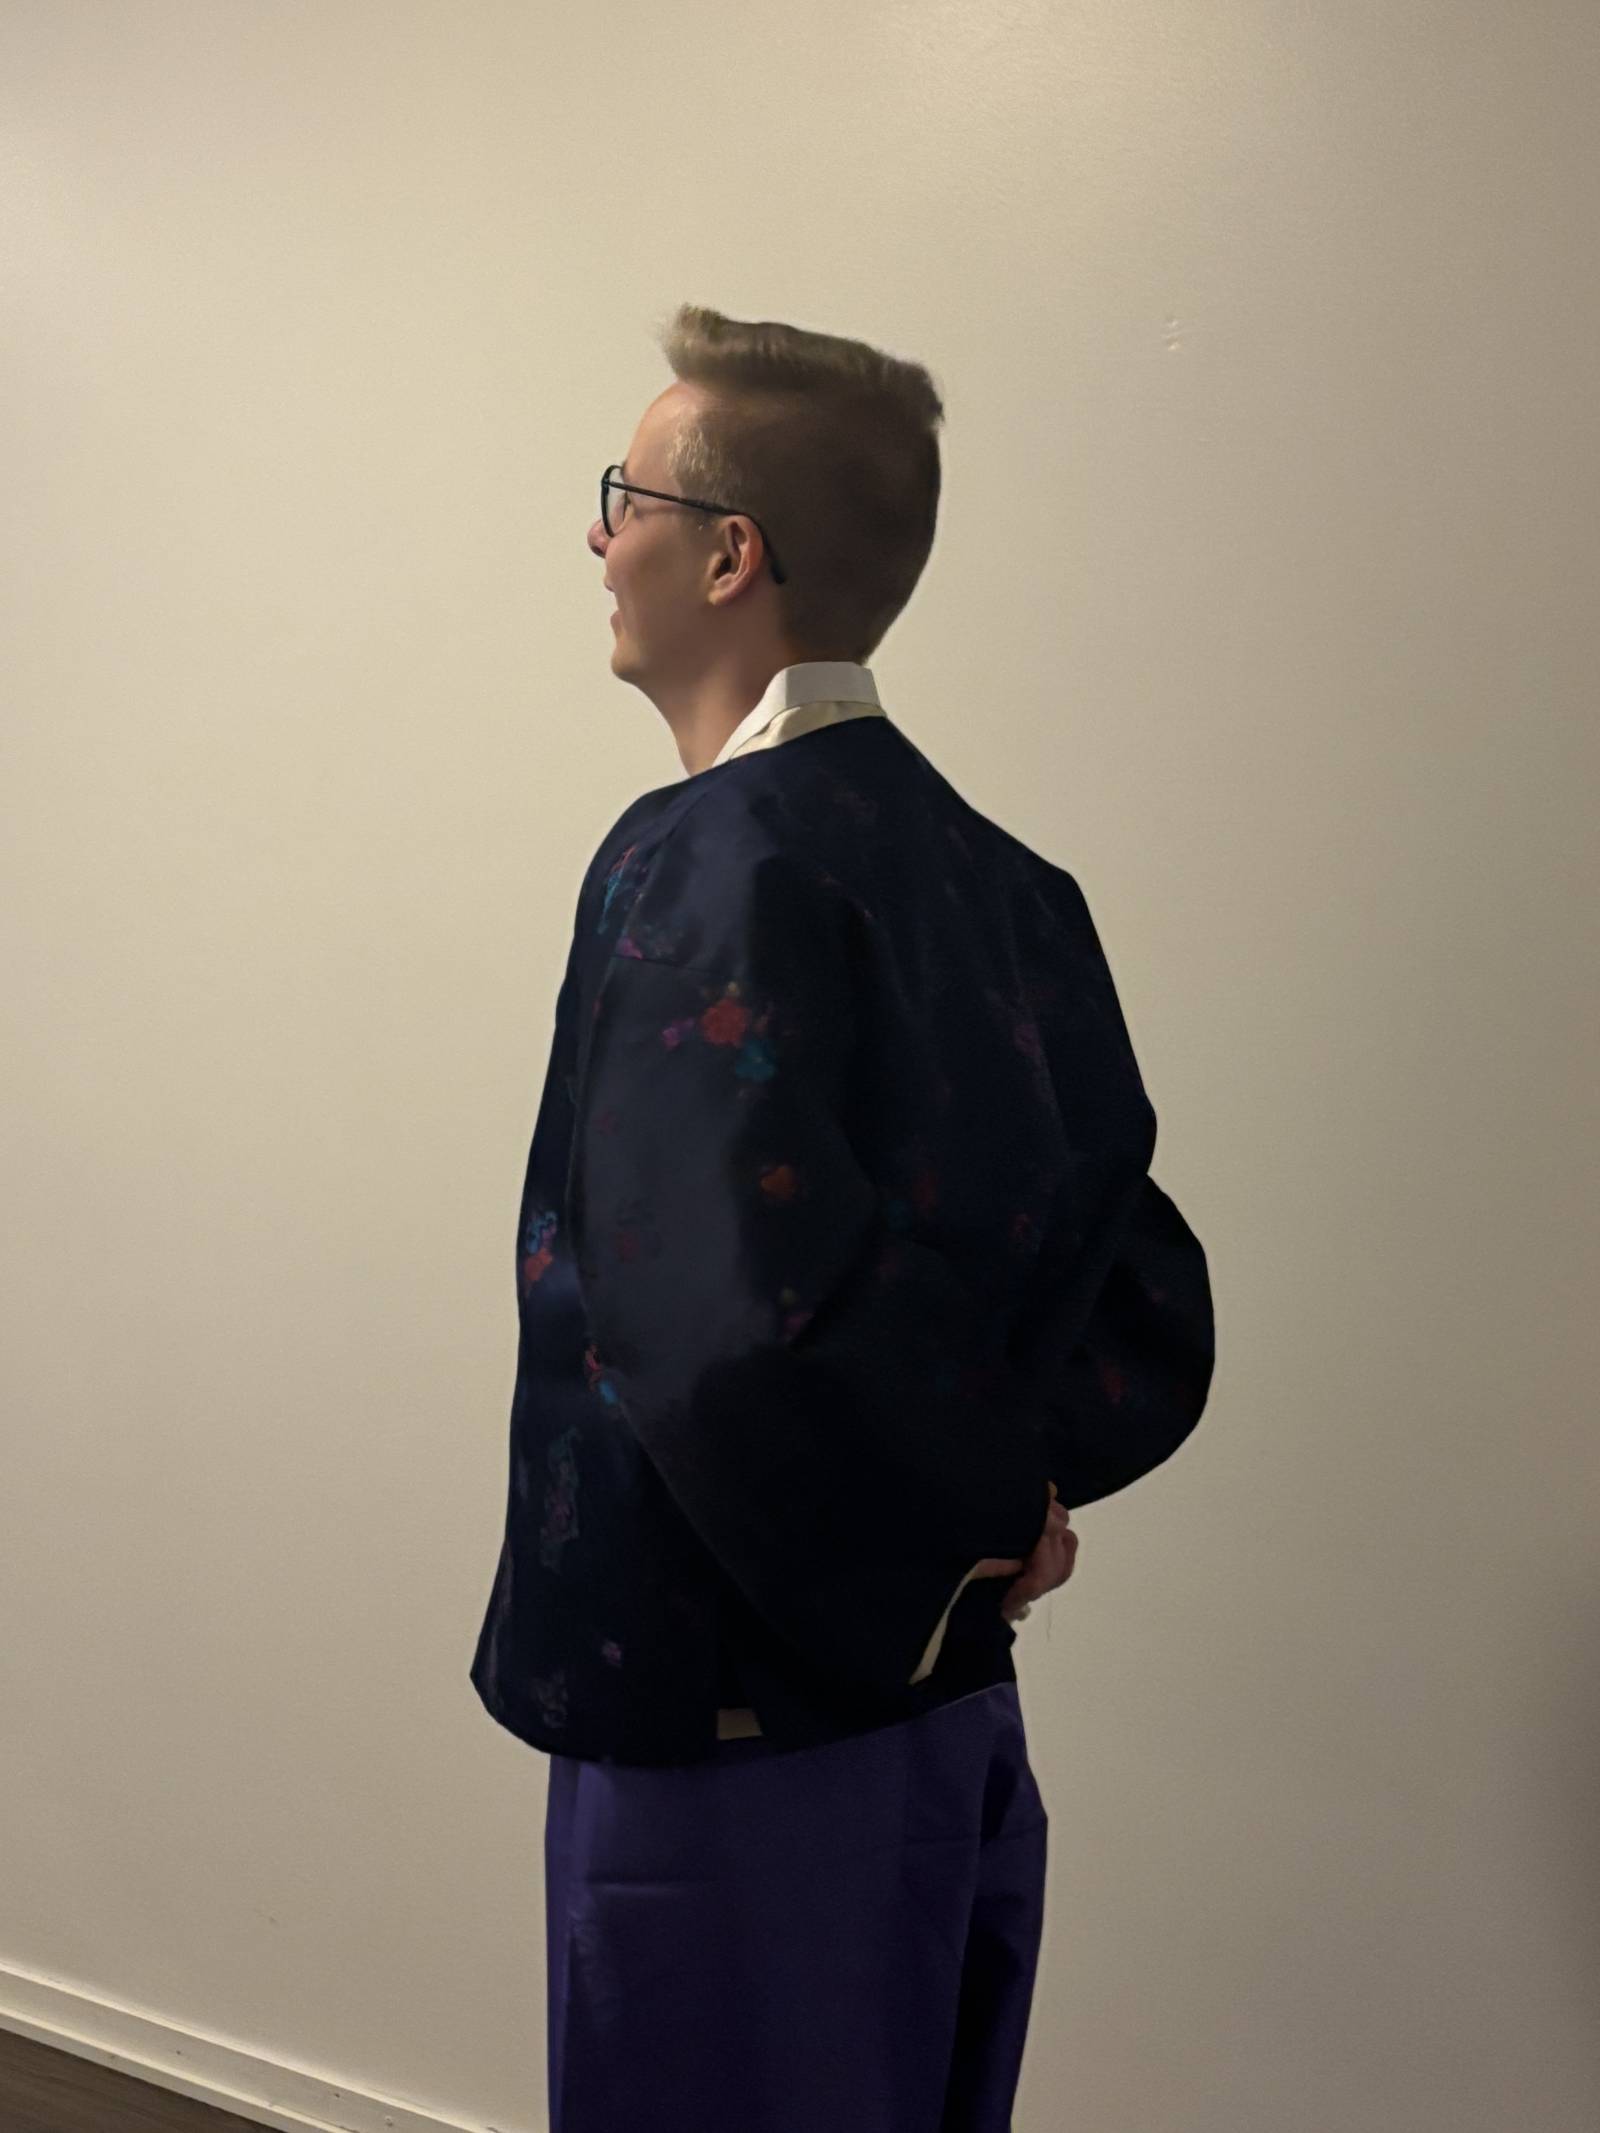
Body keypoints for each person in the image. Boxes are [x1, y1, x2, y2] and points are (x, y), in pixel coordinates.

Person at [470, 304, 1214, 2132]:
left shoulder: (701, 861)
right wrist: (998, 1515)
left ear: (731, 554)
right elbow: (1136, 1285)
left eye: (626, 497)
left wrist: (958, 1522)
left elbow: (709, 1327)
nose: (597, 536)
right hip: (946, 1718)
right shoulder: (1007, 883)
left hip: (731, 1733)